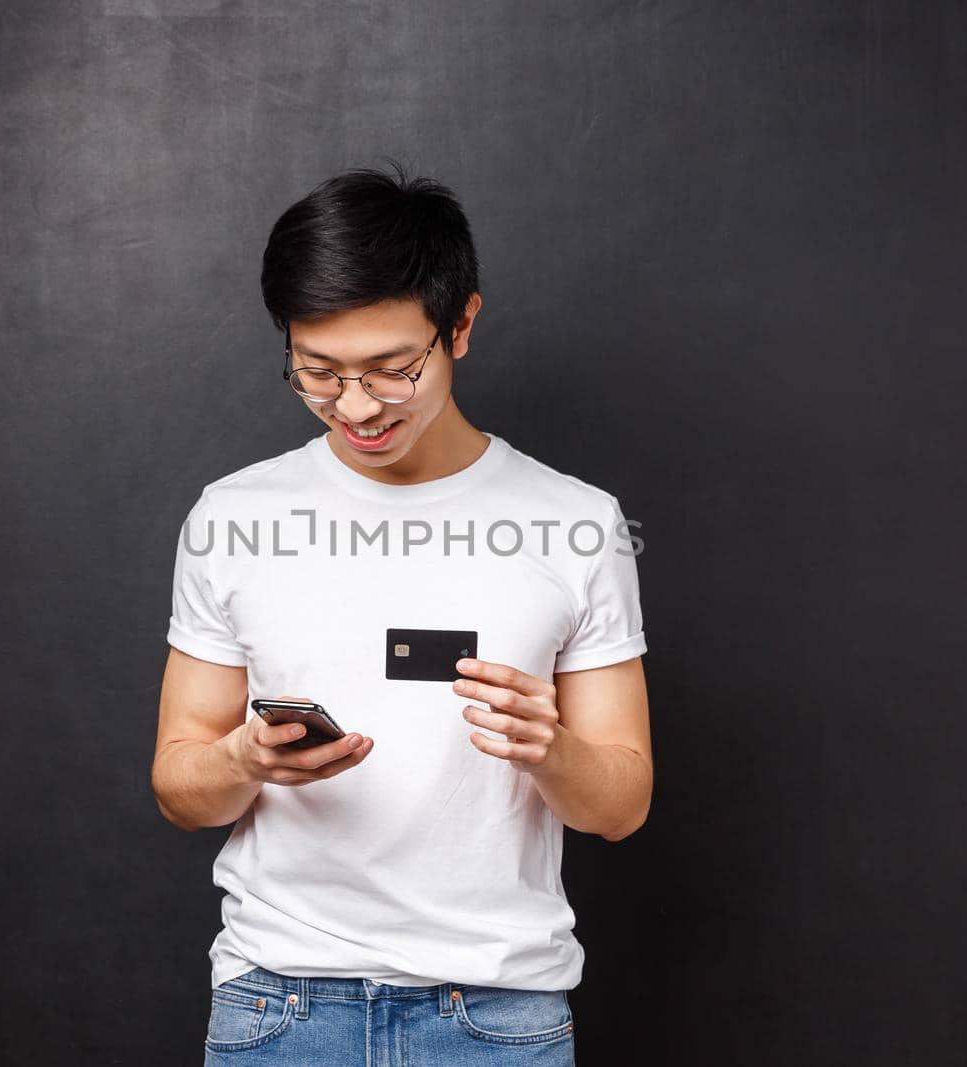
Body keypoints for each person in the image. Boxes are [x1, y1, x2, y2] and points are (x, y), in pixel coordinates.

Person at [152, 161, 652, 1066]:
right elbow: (179, 787)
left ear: (460, 325)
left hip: (496, 1014)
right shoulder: (232, 516)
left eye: (392, 370)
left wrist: (554, 748)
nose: (355, 407)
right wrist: (242, 758)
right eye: (318, 372)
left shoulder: (579, 521)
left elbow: (621, 805)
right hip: (279, 1005)